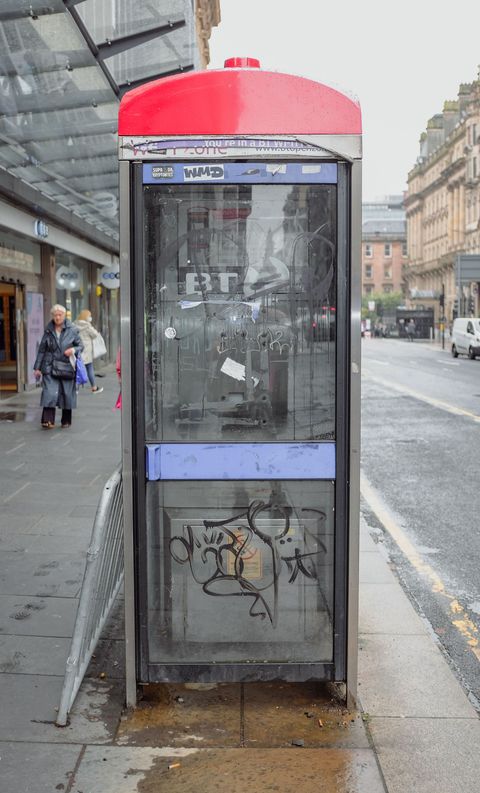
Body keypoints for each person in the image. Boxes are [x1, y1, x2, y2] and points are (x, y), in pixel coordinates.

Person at [33, 304, 83, 429]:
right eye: (55, 315)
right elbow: (41, 350)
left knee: (67, 393)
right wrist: (37, 368)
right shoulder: (48, 330)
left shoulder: (72, 329)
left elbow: (80, 346)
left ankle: (66, 420)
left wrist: (72, 350)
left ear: (64, 316)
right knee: (49, 392)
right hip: (49, 365)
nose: (57, 317)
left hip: (66, 365)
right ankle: (47, 420)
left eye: (60, 315)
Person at [74, 309, 104, 393]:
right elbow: (95, 335)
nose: (90, 318)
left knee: (77, 368)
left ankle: (75, 389)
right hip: (86, 350)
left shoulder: (74, 324)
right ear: (86, 317)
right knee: (89, 368)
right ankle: (94, 387)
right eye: (89, 316)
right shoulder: (87, 326)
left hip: (78, 349)